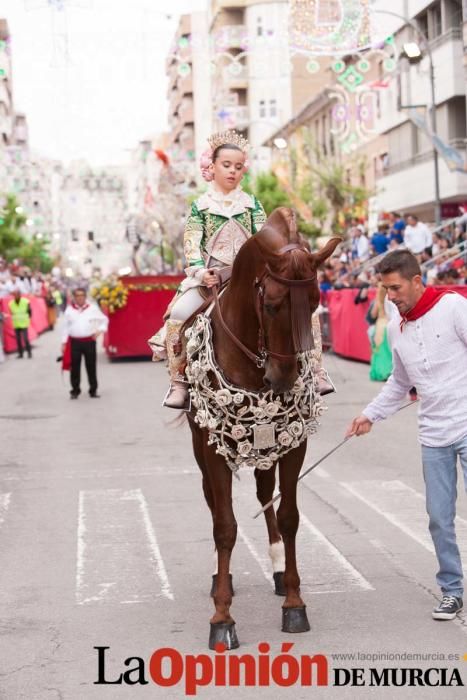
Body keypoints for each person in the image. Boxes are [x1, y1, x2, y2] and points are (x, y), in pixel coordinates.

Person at [346, 250, 467, 621]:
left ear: (417, 281)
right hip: (433, 436)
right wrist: (370, 414)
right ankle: (452, 591)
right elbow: (399, 383)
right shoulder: (398, 326)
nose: (391, 296)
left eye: (395, 288)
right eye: (385, 289)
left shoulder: (452, 308)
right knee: (438, 517)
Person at [62, 287, 109, 399]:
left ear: (85, 296)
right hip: (74, 342)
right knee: (75, 368)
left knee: (91, 366)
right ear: (74, 297)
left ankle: (93, 390)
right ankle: (75, 390)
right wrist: (63, 342)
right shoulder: (69, 310)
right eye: (77, 296)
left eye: (82, 295)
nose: (80, 298)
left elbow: (104, 320)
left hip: (89, 341)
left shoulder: (92, 308)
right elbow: (65, 327)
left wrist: (100, 330)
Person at [8, 288, 32, 359]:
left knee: (25, 339)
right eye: (15, 294)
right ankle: (20, 354)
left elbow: (30, 311)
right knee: (18, 340)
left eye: (18, 294)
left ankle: (29, 352)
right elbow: (11, 312)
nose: (16, 296)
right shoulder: (11, 303)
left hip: (24, 323)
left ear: (20, 295)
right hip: (16, 323)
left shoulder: (26, 302)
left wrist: (29, 318)